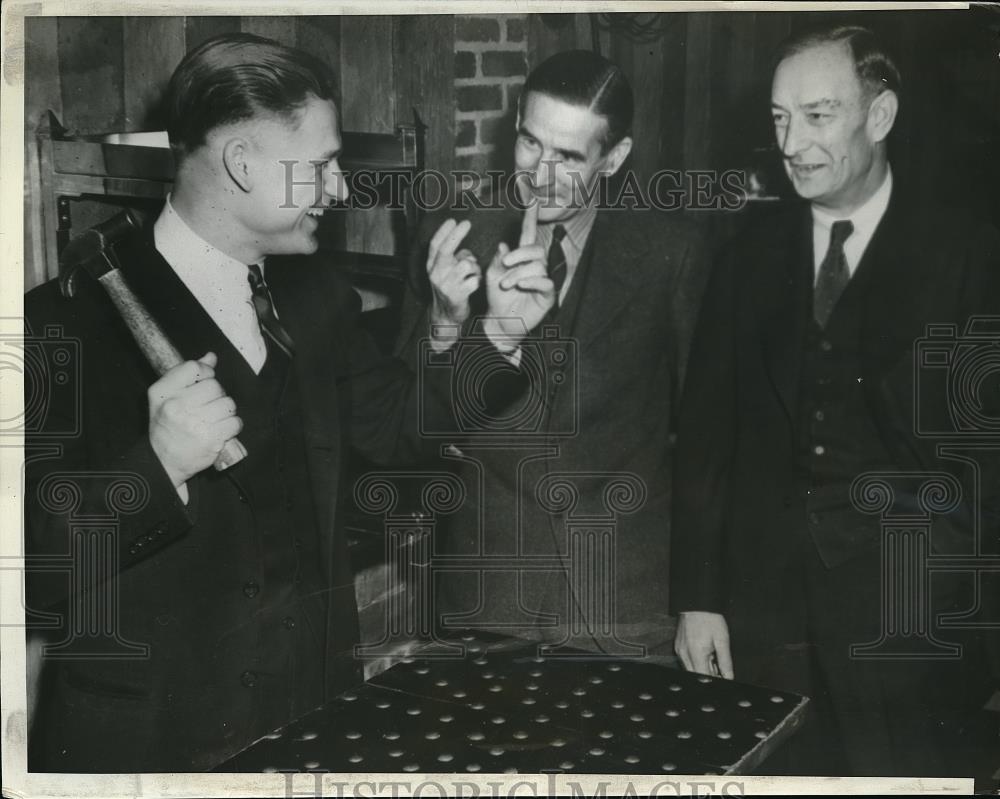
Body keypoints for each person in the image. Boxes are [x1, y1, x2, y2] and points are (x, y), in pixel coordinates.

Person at [24, 33, 531, 772]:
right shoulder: (60, 325)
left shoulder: (316, 298)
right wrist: (155, 466)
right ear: (240, 163)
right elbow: (27, 564)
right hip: (149, 752)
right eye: (323, 165)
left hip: (309, 724)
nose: (342, 189)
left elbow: (397, 427)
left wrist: (498, 338)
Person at [670, 25, 1000, 776]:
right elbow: (704, 439)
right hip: (762, 622)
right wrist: (698, 598)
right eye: (780, 119)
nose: (792, 142)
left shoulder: (969, 256)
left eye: (818, 116)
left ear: (879, 117)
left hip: (908, 627)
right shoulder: (745, 258)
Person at [398, 50, 709, 657]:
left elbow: (708, 435)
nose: (541, 175)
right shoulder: (455, 233)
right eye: (530, 144)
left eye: (568, 157)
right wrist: (444, 322)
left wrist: (704, 596)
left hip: (625, 600)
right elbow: (405, 424)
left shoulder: (675, 250)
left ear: (614, 158)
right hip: (486, 593)